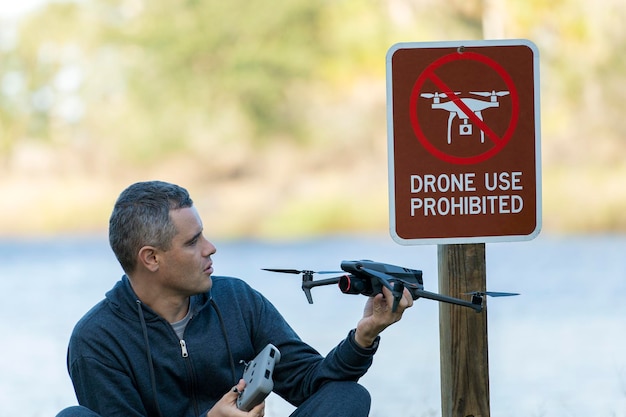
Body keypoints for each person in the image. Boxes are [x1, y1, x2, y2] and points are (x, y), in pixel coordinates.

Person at [56, 180, 413, 417]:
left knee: (347, 397)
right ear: (151, 258)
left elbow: (311, 383)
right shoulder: (97, 340)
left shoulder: (237, 299)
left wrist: (363, 337)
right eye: (192, 241)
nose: (210, 249)